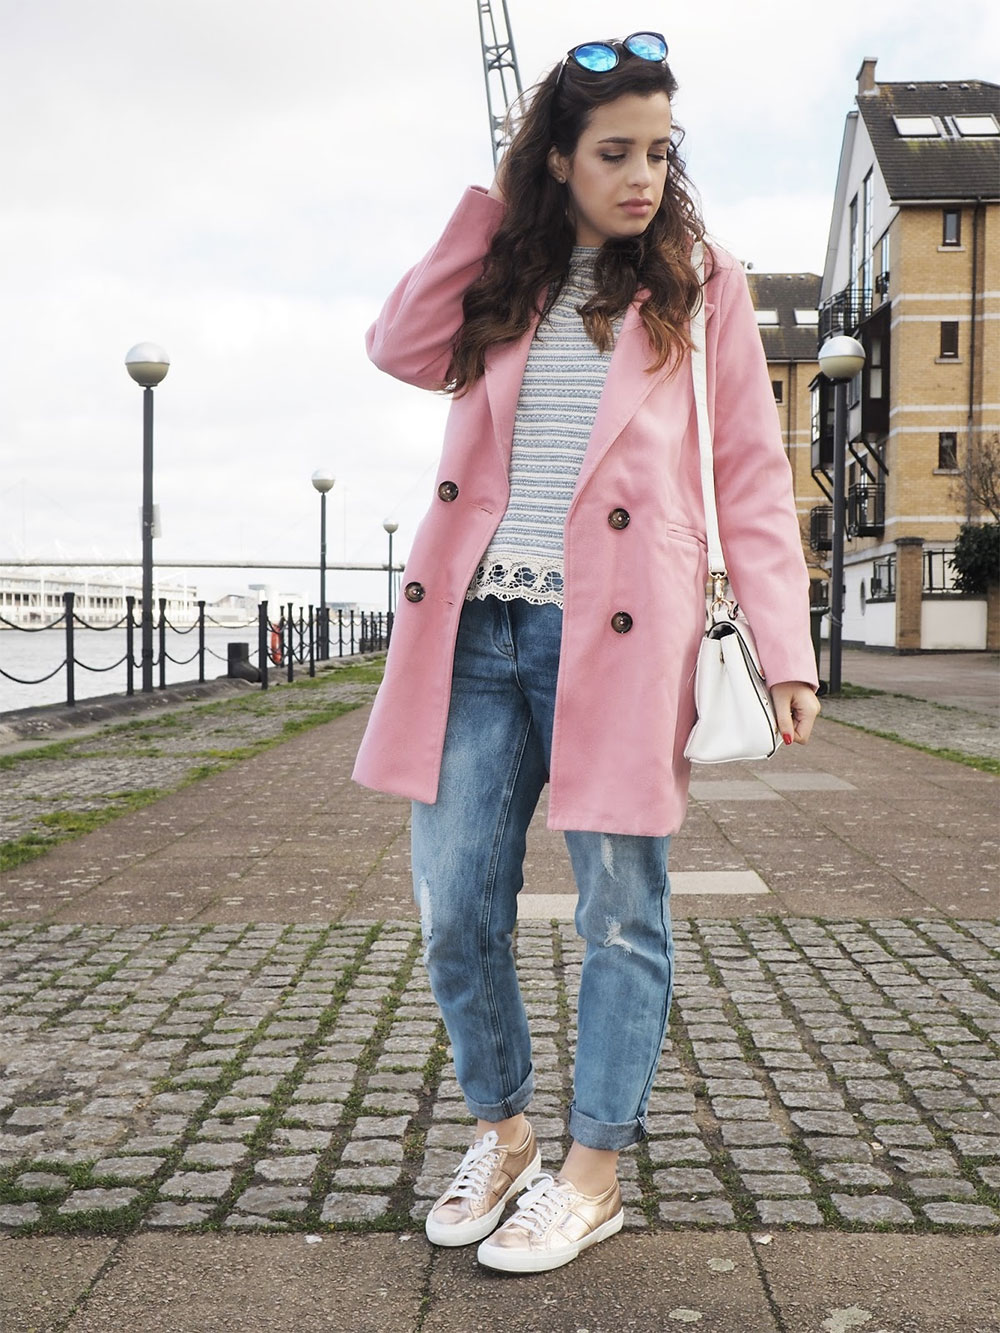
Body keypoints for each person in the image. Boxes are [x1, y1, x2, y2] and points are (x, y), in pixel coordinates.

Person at [353, 31, 820, 1273]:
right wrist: (486, 214)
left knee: (620, 913)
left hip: (619, 635)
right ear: (554, 158)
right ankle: (503, 1132)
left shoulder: (700, 283)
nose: (641, 177)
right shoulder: (502, 277)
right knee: (457, 905)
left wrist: (787, 646)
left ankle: (594, 1169)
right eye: (613, 153)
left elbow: (750, 473)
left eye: (659, 153)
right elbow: (396, 347)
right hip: (476, 631)